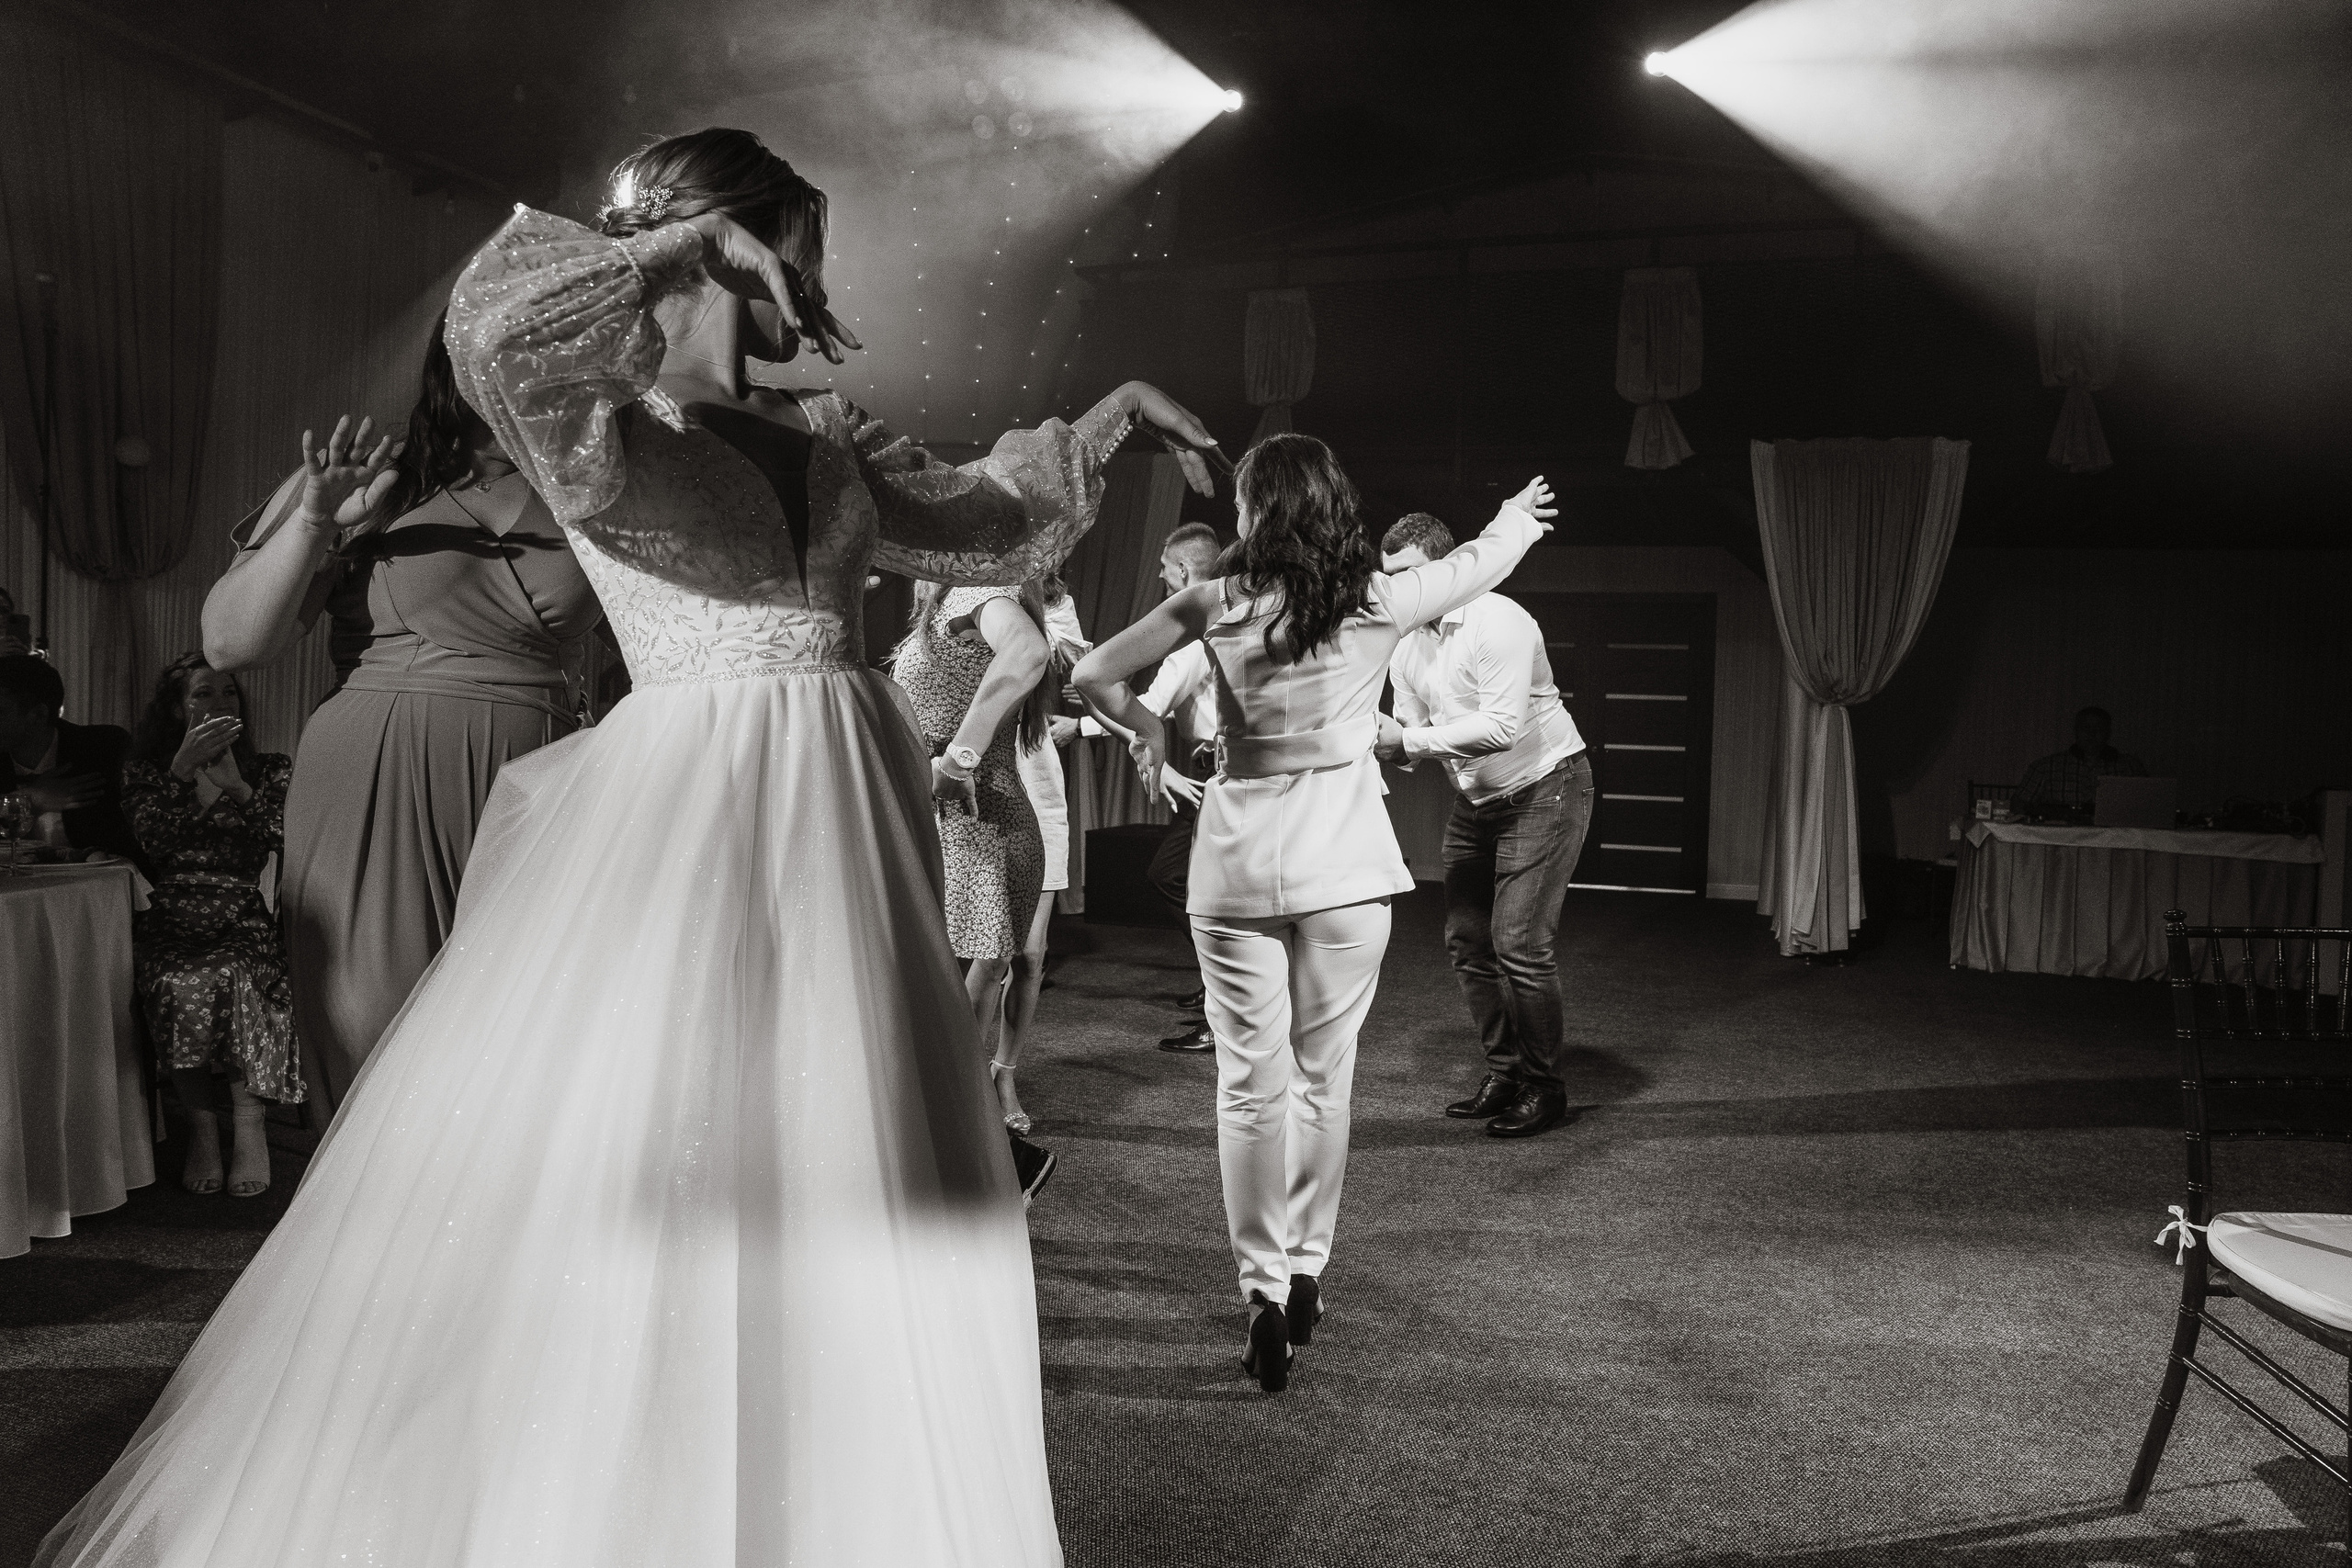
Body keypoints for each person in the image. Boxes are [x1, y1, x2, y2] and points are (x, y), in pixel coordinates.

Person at [37, 125, 1214, 1568]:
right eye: (795, 242)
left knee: (836, 1135)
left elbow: (984, 520)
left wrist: (1108, 416)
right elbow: (494, 322)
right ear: (728, 238)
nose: (815, 278)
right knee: (658, 1129)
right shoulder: (597, 423)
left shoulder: (832, 435)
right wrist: (672, 248)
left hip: (841, 796)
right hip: (695, 791)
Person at [1076, 434, 1555, 1393]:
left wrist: (1143, 733)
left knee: (1248, 1086)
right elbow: (1479, 563)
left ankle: (1258, 1290)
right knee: (1320, 1084)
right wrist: (1518, 513)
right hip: (1343, 863)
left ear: (1251, 513)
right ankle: (1304, 1273)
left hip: (1236, 863)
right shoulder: (1374, 601)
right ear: (1336, 508)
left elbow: (1092, 675)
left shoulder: (1212, 599)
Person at [203, 323, 605, 1122]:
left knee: (523, 1058)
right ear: (459, 358)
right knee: (376, 1057)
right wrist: (318, 520)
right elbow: (228, 642)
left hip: (535, 786)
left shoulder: (592, 487)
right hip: (377, 785)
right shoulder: (378, 477)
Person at [1375, 512, 1592, 1139]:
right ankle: (1506, 1073)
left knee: (1519, 942)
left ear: (1446, 568)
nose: (1397, 592)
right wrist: (1390, 740)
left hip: (1547, 787)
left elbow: (1497, 728)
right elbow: (1408, 730)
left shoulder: (1499, 620)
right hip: (1478, 801)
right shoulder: (1405, 641)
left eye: (1408, 576)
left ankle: (1545, 1088)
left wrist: (1406, 740)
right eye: (1389, 579)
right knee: (1468, 939)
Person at [121, 656, 297, 1198]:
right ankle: (200, 1129)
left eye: (228, 693)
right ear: (177, 709)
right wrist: (180, 775)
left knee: (242, 971)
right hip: (173, 910)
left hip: (240, 909)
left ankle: (249, 1128)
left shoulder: (270, 767)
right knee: (174, 979)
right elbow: (155, 844)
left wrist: (239, 789)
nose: (219, 704)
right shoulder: (147, 772)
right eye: (202, 695)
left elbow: (281, 837)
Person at [889, 576, 1054, 1145]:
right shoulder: (948, 603)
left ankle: (946, 1130)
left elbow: (1029, 650)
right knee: (969, 973)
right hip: (973, 816)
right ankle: (950, 1124)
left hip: (974, 819)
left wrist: (958, 761)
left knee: (969, 971)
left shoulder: (970, 593)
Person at [1082, 521, 1225, 1052]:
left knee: (1179, 880)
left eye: (1166, 573)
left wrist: (1081, 725)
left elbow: (1150, 706)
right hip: (1213, 766)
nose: (1162, 583)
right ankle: (1220, 989)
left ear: (1184, 572)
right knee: (1200, 886)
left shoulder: (1194, 637)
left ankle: (1225, 996)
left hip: (1219, 773)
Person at [970, 574, 1089, 1134]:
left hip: (1038, 781)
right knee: (990, 951)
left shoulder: (1054, 605)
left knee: (1031, 955)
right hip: (988, 780)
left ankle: (1004, 1069)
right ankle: (962, 1075)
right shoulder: (971, 599)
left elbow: (1077, 676)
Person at [0, 653, 144, 869]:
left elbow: (136, 836)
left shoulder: (103, 748)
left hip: (95, 889)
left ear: (38, 715)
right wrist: (29, 800)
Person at [2014, 705, 2146, 816]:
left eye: (2098, 728)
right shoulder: (2046, 767)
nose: (2092, 734)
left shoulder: (2129, 767)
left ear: (2108, 732)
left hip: (2114, 839)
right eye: (2086, 728)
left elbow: (2146, 806)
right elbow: (2018, 804)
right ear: (2076, 731)